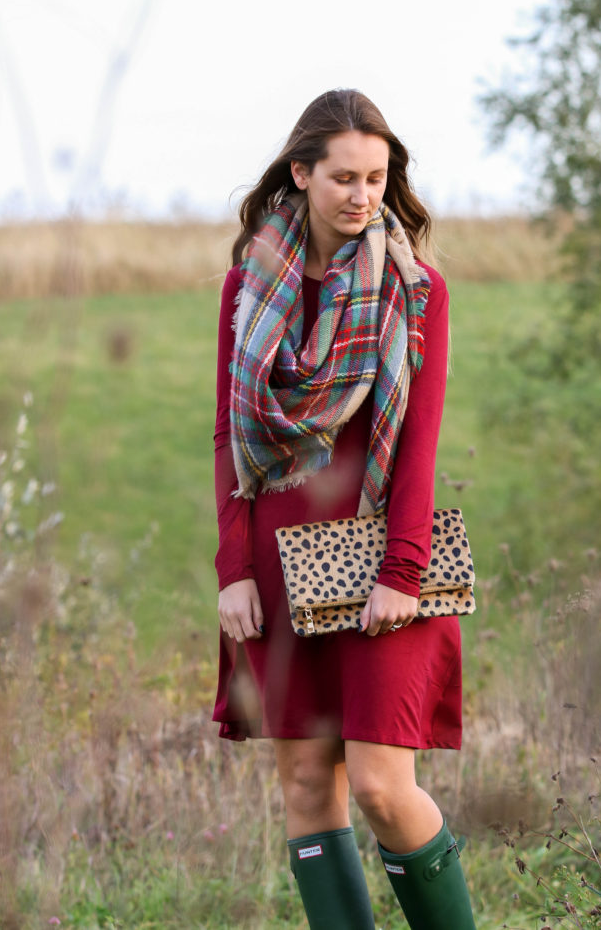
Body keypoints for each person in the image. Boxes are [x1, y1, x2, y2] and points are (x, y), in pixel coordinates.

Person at [212, 89, 476, 929]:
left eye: (376, 177)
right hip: (281, 562)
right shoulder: (248, 287)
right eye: (344, 177)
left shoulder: (418, 287)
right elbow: (228, 434)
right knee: (304, 782)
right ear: (302, 174)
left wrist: (404, 572)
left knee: (380, 787)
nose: (363, 195)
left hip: (384, 567)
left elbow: (421, 442)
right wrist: (234, 573)